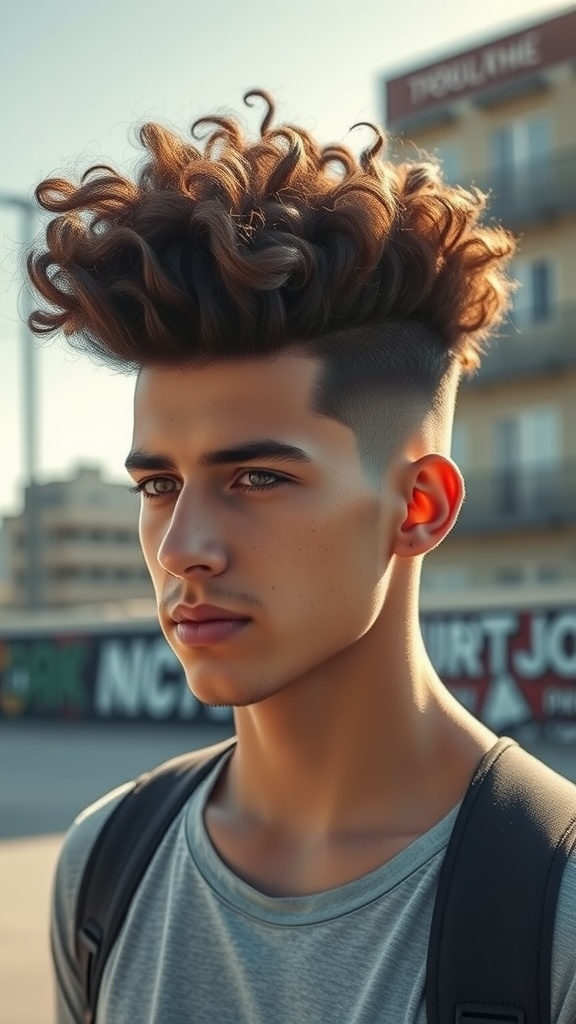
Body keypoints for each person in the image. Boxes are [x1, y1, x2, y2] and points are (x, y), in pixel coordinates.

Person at [28, 91, 576, 1023]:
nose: (183, 549)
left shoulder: (554, 908)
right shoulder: (103, 867)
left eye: (257, 481)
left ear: (420, 505)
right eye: (157, 486)